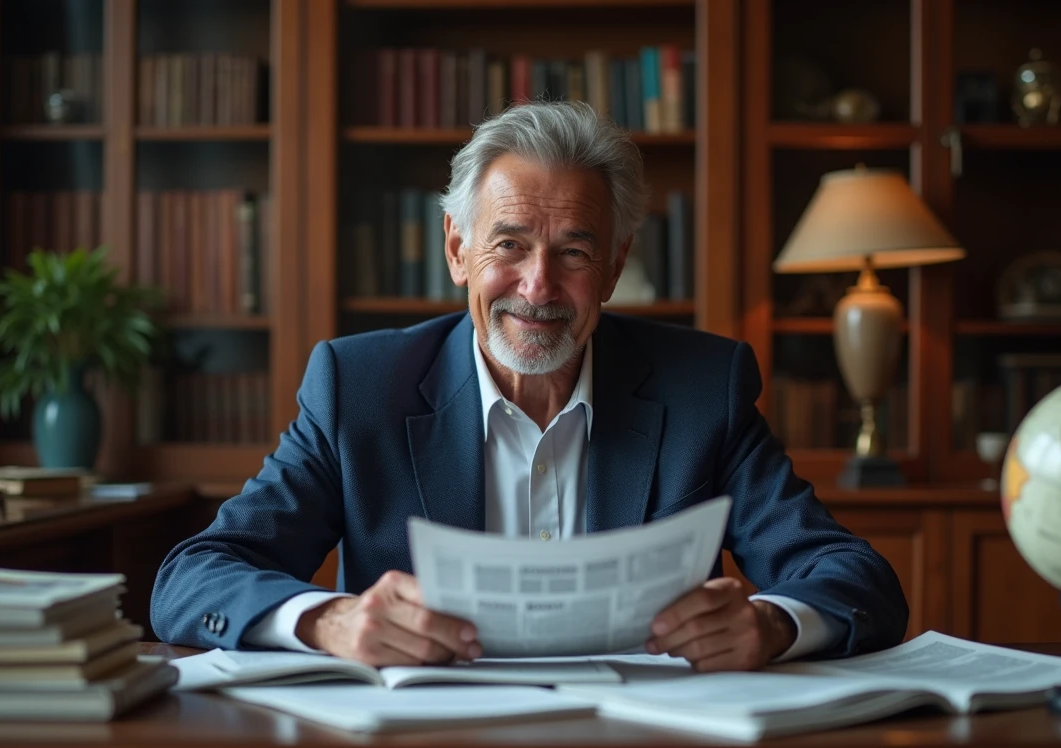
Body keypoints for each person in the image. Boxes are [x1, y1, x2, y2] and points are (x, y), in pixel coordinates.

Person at [151, 101, 908, 672]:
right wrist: (330, 622)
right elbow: (193, 579)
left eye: (573, 252)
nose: (537, 286)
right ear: (457, 248)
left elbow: (856, 579)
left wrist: (773, 625)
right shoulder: (359, 389)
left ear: (615, 265)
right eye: (508, 244)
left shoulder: (702, 389)